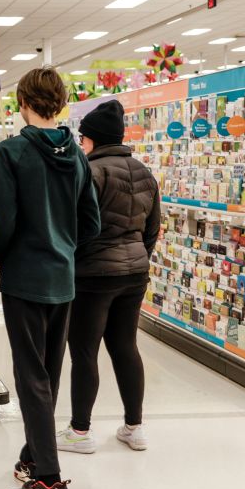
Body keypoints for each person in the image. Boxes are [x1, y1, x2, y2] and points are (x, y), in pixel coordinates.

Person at [0, 67, 100, 489]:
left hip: (25, 279)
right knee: (48, 374)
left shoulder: (10, 153)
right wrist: (65, 248)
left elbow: (6, 221)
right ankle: (33, 456)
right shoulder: (76, 155)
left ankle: (48, 481)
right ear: (60, 103)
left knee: (30, 376)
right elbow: (90, 223)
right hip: (63, 280)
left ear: (22, 104)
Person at [56, 99, 160, 454]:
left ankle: (81, 431)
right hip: (134, 273)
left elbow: (75, 227)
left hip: (93, 276)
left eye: (83, 138)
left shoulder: (89, 173)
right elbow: (152, 228)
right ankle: (135, 426)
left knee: (84, 351)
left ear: (92, 140)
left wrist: (80, 260)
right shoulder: (144, 172)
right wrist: (136, 257)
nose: (81, 144)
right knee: (125, 346)